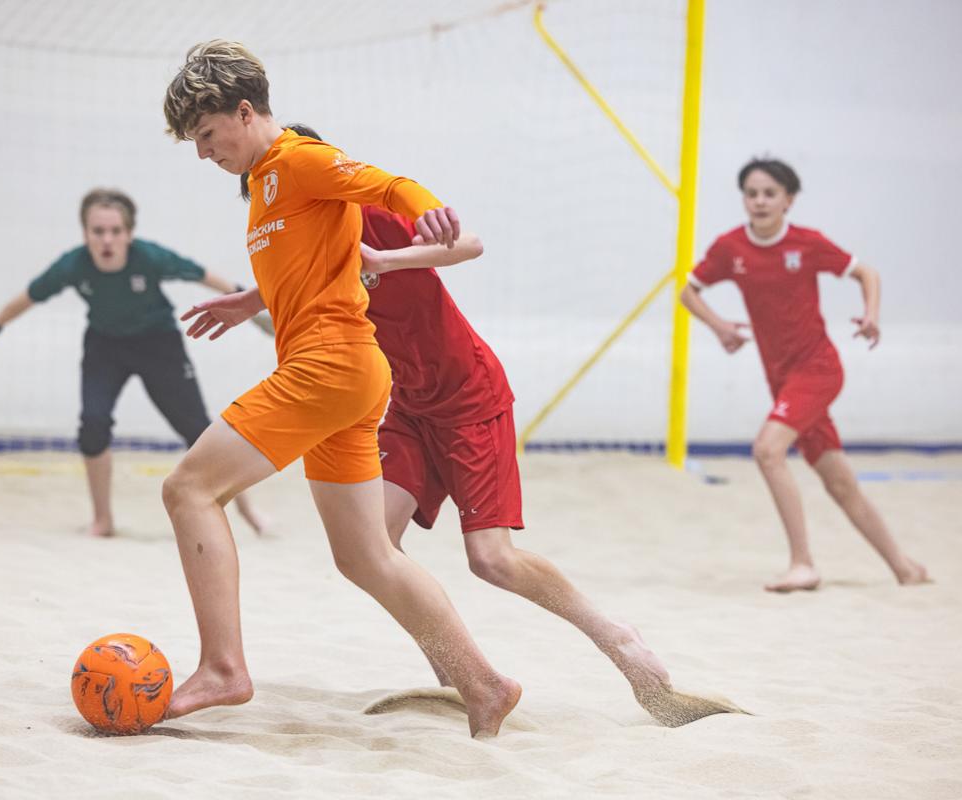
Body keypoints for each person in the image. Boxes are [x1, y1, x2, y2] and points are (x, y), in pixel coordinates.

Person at [241, 122, 733, 726]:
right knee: (372, 546)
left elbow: (469, 244)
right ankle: (458, 674)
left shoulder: (366, 214)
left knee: (492, 559)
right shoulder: (300, 239)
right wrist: (248, 302)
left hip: (468, 396)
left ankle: (621, 640)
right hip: (406, 405)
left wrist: (386, 261)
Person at [160, 40, 521, 737]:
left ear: (243, 111)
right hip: (348, 375)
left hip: (327, 368)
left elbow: (389, 184)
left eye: (206, 134)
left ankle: (223, 669)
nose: (203, 153)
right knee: (364, 555)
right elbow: (310, 264)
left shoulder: (296, 157)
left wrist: (430, 211)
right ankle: (484, 686)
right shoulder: (264, 185)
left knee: (188, 489)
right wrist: (248, 301)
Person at [0, 188, 268, 539]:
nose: (107, 240)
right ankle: (102, 521)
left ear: (129, 234)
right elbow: (25, 299)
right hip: (105, 346)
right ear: (85, 233)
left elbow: (203, 275)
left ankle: (248, 512)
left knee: (196, 430)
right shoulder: (72, 265)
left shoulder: (150, 257)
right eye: (98, 231)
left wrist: (252, 309)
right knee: (93, 425)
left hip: (158, 344)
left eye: (115, 231)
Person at [680, 158, 930, 592]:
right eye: (751, 193)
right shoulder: (730, 248)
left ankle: (802, 564)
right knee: (839, 482)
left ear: (788, 200)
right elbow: (688, 292)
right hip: (781, 380)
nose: (759, 201)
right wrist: (720, 328)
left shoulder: (807, 243)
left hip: (818, 369)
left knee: (767, 451)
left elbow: (866, 272)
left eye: (769, 194)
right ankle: (905, 568)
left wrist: (871, 315)